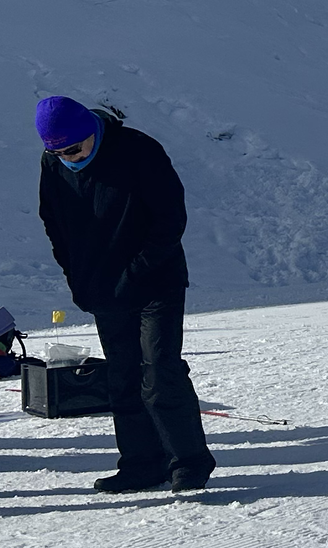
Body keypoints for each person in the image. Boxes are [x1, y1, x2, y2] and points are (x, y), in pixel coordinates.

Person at [36, 97, 215, 493]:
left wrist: (135, 272)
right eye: (58, 152)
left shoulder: (138, 150)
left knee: (159, 370)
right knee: (122, 376)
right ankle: (141, 463)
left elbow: (170, 220)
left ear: (91, 133)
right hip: (103, 288)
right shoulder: (53, 164)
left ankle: (188, 461)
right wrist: (76, 278)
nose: (68, 158)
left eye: (74, 149)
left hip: (156, 282)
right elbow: (54, 224)